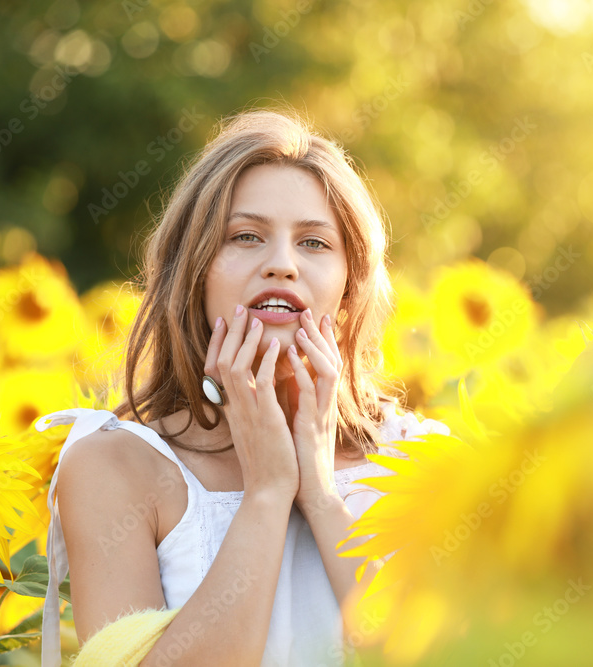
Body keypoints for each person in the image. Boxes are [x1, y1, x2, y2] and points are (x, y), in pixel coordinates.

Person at [34, 107, 450, 667]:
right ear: (193, 272)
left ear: (350, 289)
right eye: (246, 236)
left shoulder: (425, 459)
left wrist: (322, 495)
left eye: (314, 243)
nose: (281, 264)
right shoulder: (112, 467)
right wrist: (268, 491)